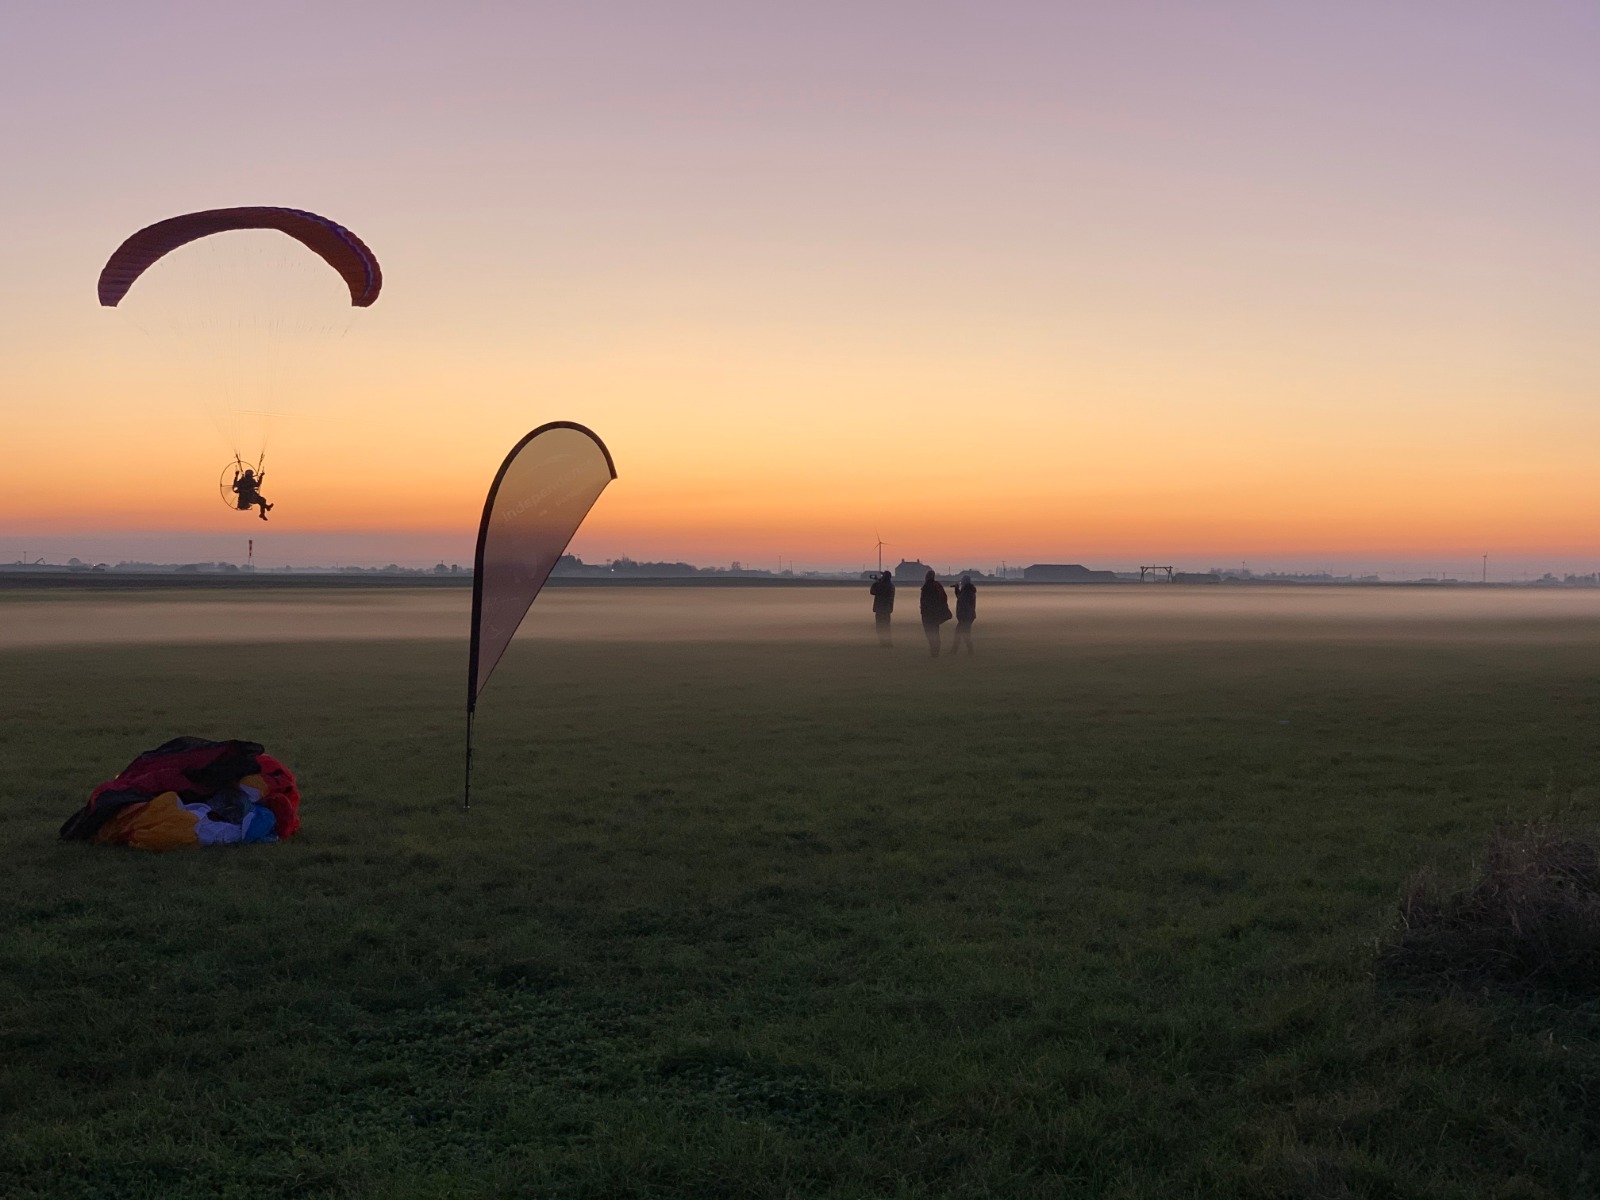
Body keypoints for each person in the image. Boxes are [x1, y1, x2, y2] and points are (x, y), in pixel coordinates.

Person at [919, 568, 952, 657]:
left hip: (928, 614)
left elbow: (925, 601)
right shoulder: (938, 585)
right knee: (935, 632)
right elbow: (944, 598)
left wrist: (924, 611)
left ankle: (934, 651)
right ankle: (936, 650)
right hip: (936, 614)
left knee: (930, 633)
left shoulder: (927, 587)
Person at [869, 570, 895, 647]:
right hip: (887, 609)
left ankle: (884, 643)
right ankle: (886, 642)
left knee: (880, 627)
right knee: (886, 626)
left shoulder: (883, 585)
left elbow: (873, 591)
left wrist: (877, 582)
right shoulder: (890, 585)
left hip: (881, 609)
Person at [952, 574, 977, 654]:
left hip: (966, 616)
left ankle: (955, 651)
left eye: (962, 581)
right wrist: (957, 589)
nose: (961, 582)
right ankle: (969, 650)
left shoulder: (967, 591)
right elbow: (960, 597)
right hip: (968, 616)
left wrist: (957, 588)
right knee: (964, 633)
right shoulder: (967, 590)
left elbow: (962, 600)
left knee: (960, 633)